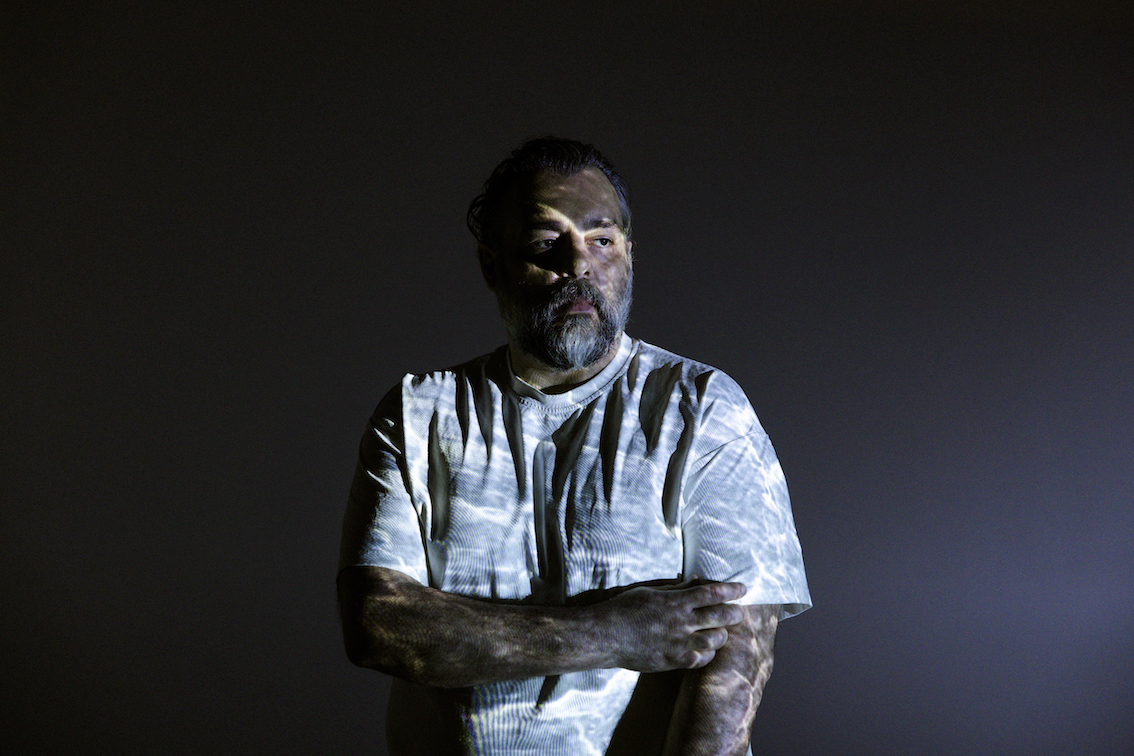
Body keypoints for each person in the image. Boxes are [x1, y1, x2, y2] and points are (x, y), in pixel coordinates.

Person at [337, 137, 811, 755]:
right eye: (545, 242)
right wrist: (612, 633)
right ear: (491, 266)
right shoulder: (417, 412)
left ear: (630, 256)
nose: (578, 264)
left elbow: (736, 661)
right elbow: (378, 625)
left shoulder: (702, 407)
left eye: (602, 240)